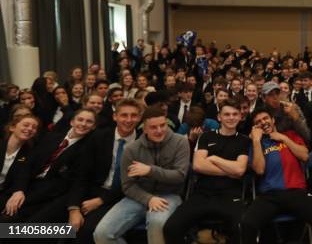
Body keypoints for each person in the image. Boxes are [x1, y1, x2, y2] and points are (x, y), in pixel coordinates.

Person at [93, 104, 190, 244]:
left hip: (169, 195)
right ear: (144, 129)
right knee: (102, 233)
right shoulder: (132, 149)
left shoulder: (181, 142)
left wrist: (150, 170)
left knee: (157, 223)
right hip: (138, 195)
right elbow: (127, 185)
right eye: (153, 127)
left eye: (163, 125)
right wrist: (148, 199)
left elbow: (180, 176)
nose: (159, 130)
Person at [241, 107, 312, 244]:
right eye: (258, 122)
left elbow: (305, 156)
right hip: (269, 195)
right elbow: (259, 170)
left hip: (297, 192)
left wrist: (283, 138)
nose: (263, 122)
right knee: (247, 224)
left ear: (273, 120)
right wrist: (255, 141)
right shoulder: (257, 144)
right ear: (255, 127)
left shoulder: (291, 135)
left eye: (265, 118)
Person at [164, 101, 249, 243]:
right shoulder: (206, 136)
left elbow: (240, 170)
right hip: (202, 193)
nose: (231, 117)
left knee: (241, 228)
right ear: (219, 117)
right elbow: (198, 165)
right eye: (227, 114)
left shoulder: (244, 140)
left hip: (230, 194)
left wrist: (214, 158)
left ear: (240, 116)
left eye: (235, 114)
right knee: (171, 227)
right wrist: (230, 170)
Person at [66, 99, 143, 244]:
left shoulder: (143, 143)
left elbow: (137, 183)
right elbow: (82, 174)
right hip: (92, 191)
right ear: (115, 117)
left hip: (121, 196)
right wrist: (74, 208)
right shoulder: (98, 137)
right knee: (53, 226)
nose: (128, 120)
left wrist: (101, 200)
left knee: (84, 232)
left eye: (133, 116)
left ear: (139, 118)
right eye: (124, 115)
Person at [0, 108, 97, 222]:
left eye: (89, 121)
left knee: (10, 222)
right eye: (80, 119)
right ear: (72, 122)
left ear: (93, 127)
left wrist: (74, 208)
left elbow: (78, 181)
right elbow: (27, 165)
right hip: (25, 185)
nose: (83, 124)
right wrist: (19, 190)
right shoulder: (51, 137)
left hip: (48, 195)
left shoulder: (88, 149)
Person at [0, 115, 40, 206]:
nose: (30, 129)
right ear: (12, 127)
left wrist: (19, 191)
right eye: (26, 125)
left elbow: (23, 176)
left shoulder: (30, 154)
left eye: (34, 127)